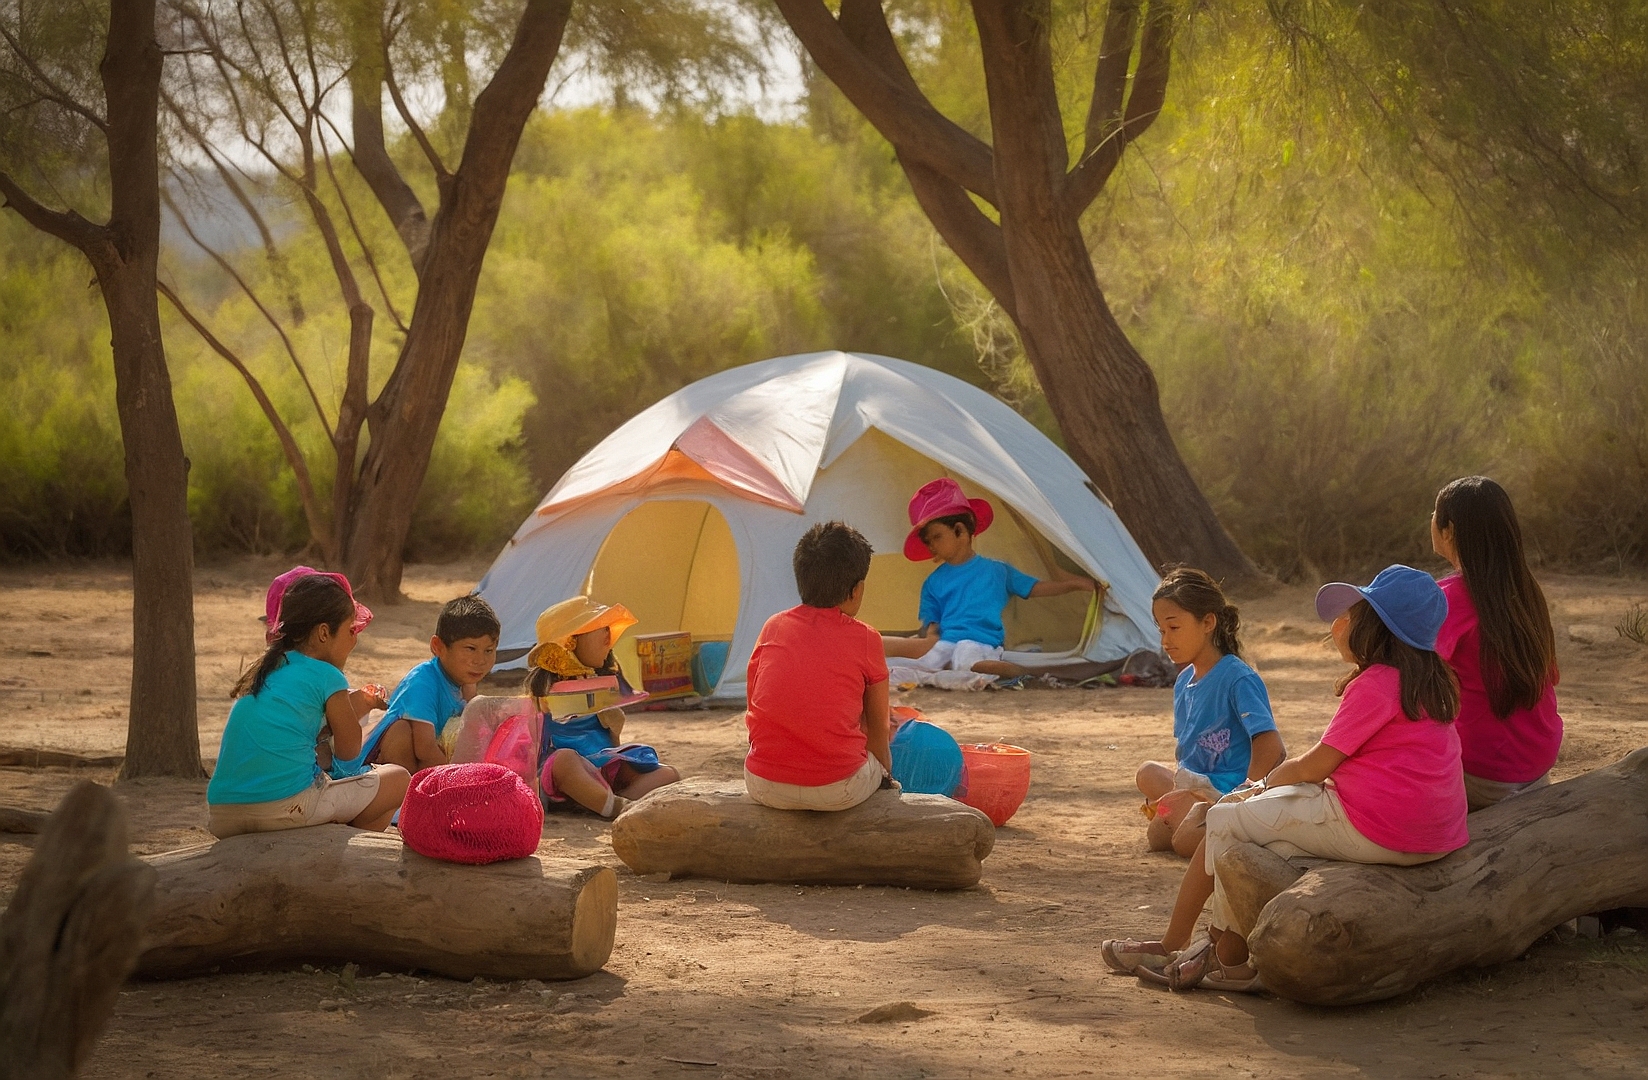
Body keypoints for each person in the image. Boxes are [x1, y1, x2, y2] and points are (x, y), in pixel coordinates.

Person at [1103, 565, 1469, 992]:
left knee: (1223, 819)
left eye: (1350, 615)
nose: (1338, 624)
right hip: (1434, 835)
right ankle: (1221, 945)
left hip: (1381, 829)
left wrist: (1263, 784)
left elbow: (1313, 767)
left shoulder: (1377, 684)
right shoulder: (1428, 680)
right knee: (1261, 836)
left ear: (1377, 629)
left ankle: (1200, 949)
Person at [207, 572, 409, 838]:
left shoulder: (266, 669)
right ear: (324, 633)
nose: (355, 639)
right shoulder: (328, 676)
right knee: (398, 779)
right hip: (287, 808)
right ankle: (341, 850)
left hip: (223, 814)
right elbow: (349, 752)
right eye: (350, 630)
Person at [883, 478, 1095, 686]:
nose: (931, 546)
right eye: (928, 542)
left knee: (967, 661)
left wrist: (1073, 584)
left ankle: (1028, 674)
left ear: (960, 531)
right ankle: (948, 672)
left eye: (936, 537)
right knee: (903, 667)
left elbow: (1035, 588)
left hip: (979, 642)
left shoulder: (997, 571)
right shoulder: (933, 582)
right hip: (946, 643)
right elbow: (933, 631)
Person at [1431, 476, 1564, 810]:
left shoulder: (1448, 599)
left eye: (1434, 514)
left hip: (1486, 776)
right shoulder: (1525, 590)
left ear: (1449, 531)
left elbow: (1406, 678)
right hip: (1536, 765)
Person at [744, 521, 894, 811]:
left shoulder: (773, 627)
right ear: (856, 590)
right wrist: (885, 774)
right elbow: (878, 731)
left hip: (763, 784)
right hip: (839, 789)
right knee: (875, 755)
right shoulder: (866, 638)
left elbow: (755, 705)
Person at [1135, 568, 1284, 858]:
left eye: (1174, 628)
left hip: (1229, 794)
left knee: (1183, 841)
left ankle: (1204, 820)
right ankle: (1181, 811)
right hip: (1196, 787)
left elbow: (1272, 749)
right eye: (1161, 630)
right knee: (1148, 776)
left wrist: (1243, 796)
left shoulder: (1237, 678)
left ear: (1208, 622)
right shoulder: (1183, 682)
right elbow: (1186, 753)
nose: (1165, 640)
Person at [523, 596, 680, 819]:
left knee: (669, 774)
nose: (609, 637)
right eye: (601, 629)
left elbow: (609, 747)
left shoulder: (604, 682)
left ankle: (599, 802)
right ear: (570, 641)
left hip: (602, 767)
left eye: (609, 630)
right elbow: (530, 753)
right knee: (565, 759)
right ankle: (617, 807)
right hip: (562, 774)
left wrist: (615, 731)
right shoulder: (543, 692)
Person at [332, 595, 501, 778]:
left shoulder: (466, 683)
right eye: (470, 648)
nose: (480, 660)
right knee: (401, 731)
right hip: (369, 771)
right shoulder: (423, 681)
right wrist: (460, 780)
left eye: (489, 651)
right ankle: (407, 799)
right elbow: (425, 750)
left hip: (422, 770)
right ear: (438, 646)